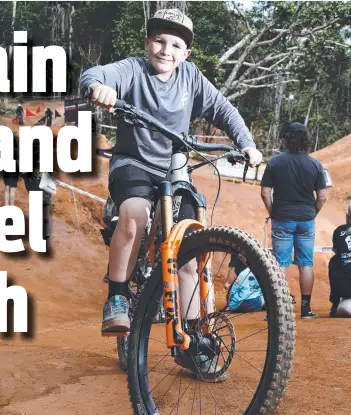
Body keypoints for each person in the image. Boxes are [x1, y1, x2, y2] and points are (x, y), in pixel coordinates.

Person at [79, 9, 262, 343]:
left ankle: (193, 339)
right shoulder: (132, 70)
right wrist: (96, 87)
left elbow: (224, 110)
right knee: (134, 213)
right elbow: (97, 73)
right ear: (147, 42)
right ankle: (117, 296)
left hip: (176, 171)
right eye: (160, 41)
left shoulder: (191, 77)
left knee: (190, 253)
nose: (166, 50)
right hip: (133, 163)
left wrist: (247, 144)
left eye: (176, 45)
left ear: (186, 53)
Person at [260, 123, 327, 319]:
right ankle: (306, 309)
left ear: (287, 139)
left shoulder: (275, 162)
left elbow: (265, 193)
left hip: (282, 218)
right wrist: (312, 212)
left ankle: (277, 310)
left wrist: (273, 212)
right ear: (306, 140)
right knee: (306, 263)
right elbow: (322, 196)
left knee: (280, 263)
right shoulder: (315, 165)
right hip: (306, 219)